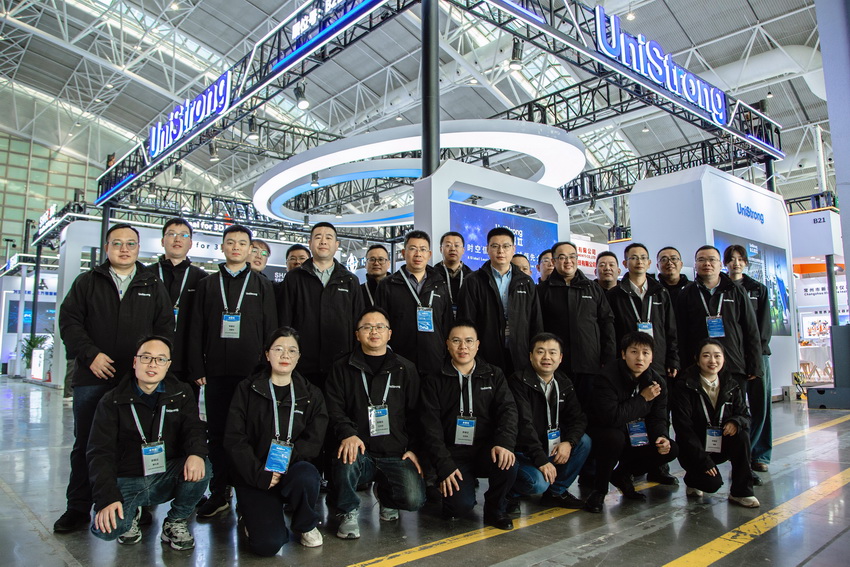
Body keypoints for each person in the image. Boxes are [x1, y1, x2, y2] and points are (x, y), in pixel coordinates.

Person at [55, 223, 174, 533]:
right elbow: (69, 322)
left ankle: (136, 504)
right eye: (117, 243)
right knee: (87, 443)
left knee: (137, 441)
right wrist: (90, 354)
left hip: (137, 380)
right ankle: (78, 506)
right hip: (93, 376)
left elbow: (164, 328)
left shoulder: (152, 283)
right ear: (106, 247)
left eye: (131, 243)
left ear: (138, 248)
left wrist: (149, 366)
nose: (124, 249)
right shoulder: (87, 282)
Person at [188, 224, 278, 518]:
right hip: (215, 373)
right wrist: (198, 366)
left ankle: (247, 494)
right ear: (223, 247)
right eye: (230, 242)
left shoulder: (262, 285)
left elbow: (271, 331)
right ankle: (219, 492)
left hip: (252, 375)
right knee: (217, 434)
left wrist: (268, 370)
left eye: (242, 243)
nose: (236, 247)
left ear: (250, 249)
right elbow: (196, 328)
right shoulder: (207, 284)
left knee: (248, 435)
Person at [88, 336, 209, 549]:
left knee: (203, 466)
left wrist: (196, 453)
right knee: (107, 530)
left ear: (168, 365)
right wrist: (106, 497)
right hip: (127, 479)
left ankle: (175, 521)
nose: (153, 364)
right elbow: (100, 453)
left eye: (160, 359)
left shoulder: (181, 393)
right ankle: (132, 512)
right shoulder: (112, 400)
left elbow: (194, 428)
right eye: (146, 358)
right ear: (135, 362)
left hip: (164, 474)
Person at [224, 327, 328, 555]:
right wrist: (259, 473)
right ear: (267, 354)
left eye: (292, 350)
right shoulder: (247, 389)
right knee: (267, 545)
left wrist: (284, 466)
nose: (285, 355)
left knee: (306, 475)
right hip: (255, 474)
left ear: (299, 357)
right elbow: (235, 439)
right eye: (278, 349)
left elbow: (314, 439)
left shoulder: (311, 394)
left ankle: (305, 524)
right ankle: (250, 515)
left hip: (291, 470)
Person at [325, 307, 426, 539]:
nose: (374, 331)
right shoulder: (342, 367)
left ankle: (387, 497)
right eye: (367, 327)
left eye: (380, 327)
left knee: (414, 499)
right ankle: (348, 511)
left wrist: (414, 449)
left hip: (394, 452)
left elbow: (417, 414)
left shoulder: (405, 369)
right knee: (345, 455)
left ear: (389, 333)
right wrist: (347, 433)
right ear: (357, 334)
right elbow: (333, 408)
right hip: (359, 451)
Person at [420, 321, 518, 530]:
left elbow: (508, 411)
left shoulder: (494, 374)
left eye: (468, 341)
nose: (463, 347)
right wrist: (444, 466)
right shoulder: (434, 379)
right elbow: (430, 428)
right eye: (456, 341)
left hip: (486, 449)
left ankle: (495, 508)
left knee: (508, 461)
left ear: (477, 345)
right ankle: (459, 492)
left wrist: (504, 443)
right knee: (458, 508)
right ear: (447, 344)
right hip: (453, 453)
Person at [606, 242, 680, 486]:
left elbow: (670, 330)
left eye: (643, 257)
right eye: (633, 257)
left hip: (656, 363)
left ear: (649, 263)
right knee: (630, 413)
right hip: (627, 365)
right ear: (625, 263)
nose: (638, 261)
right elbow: (611, 332)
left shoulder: (660, 293)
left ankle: (659, 466)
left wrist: (672, 358)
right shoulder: (615, 294)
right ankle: (630, 466)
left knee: (658, 414)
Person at [584, 332, 679, 513]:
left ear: (652, 357)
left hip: (636, 433)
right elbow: (611, 417)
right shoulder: (607, 377)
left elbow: (658, 417)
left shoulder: (657, 382)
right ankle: (599, 490)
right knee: (613, 437)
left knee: (670, 448)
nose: (640, 358)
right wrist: (642, 399)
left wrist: (662, 436)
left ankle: (622, 475)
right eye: (634, 352)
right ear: (623, 354)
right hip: (606, 432)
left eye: (645, 353)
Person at [277, 222, 365, 391]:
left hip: (341, 364)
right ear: (310, 243)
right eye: (318, 237)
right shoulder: (294, 278)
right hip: (302, 364)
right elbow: (284, 320)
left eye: (328, 237)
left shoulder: (350, 280)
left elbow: (358, 323)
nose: (323, 241)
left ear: (336, 245)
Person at [671, 339, 759, 507]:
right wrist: (703, 461)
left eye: (717, 356)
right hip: (694, 448)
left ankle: (741, 492)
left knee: (741, 435)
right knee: (711, 484)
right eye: (706, 356)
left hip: (720, 443)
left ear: (724, 359)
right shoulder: (685, 386)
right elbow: (683, 428)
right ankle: (692, 478)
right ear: (697, 360)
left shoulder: (731, 385)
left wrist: (735, 421)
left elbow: (745, 415)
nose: (712, 361)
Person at [509, 333, 591, 509]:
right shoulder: (518, 381)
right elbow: (524, 426)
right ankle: (511, 492)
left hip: (549, 446)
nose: (547, 357)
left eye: (552, 352)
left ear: (560, 358)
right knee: (536, 484)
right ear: (531, 356)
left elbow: (578, 418)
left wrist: (569, 442)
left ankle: (556, 492)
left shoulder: (563, 382)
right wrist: (541, 460)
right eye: (540, 352)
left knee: (584, 442)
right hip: (524, 452)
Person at [537, 241, 616, 412]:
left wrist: (608, 358)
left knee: (589, 412)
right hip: (556, 365)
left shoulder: (593, 288)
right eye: (562, 257)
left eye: (572, 256)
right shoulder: (543, 290)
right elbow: (537, 327)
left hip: (589, 364)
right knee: (559, 412)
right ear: (554, 261)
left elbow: (607, 324)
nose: (568, 261)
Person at [457, 227, 543, 376]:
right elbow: (466, 320)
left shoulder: (526, 282)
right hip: (486, 353)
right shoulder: (473, 281)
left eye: (506, 246)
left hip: (520, 353)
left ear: (513, 249)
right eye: (495, 246)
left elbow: (536, 321)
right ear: (487, 249)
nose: (500, 251)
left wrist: (536, 351)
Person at [676, 245, 762, 388]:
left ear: (721, 264)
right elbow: (681, 333)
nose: (707, 264)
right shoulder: (686, 293)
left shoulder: (737, 291)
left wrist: (755, 364)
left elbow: (751, 329)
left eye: (712, 260)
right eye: (701, 260)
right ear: (695, 264)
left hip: (734, 364)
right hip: (698, 366)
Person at [375, 231, 452, 375]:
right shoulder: (387, 285)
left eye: (423, 249)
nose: (418, 254)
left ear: (429, 254)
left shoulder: (440, 285)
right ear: (404, 253)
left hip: (434, 360)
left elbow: (447, 324)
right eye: (413, 249)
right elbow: (380, 325)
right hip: (399, 359)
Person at [724, 244, 773, 473]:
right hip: (732, 357)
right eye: (731, 259)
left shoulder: (758, 289)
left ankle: (759, 454)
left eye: (740, 259)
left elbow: (764, 327)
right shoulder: (722, 288)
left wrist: (756, 356)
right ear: (726, 262)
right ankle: (739, 454)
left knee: (760, 405)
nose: (736, 263)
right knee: (735, 407)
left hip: (757, 356)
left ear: (745, 262)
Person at [146, 218, 205, 400]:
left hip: (186, 364)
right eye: (171, 234)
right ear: (162, 241)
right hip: (149, 362)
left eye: (183, 235)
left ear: (190, 243)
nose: (177, 239)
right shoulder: (145, 275)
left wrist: (199, 366)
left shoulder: (202, 279)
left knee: (184, 412)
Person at [434, 231, 472, 316]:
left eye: (457, 245)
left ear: (463, 250)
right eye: (448, 245)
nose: (453, 249)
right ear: (441, 249)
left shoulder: (471, 277)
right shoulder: (432, 275)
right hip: (439, 320)